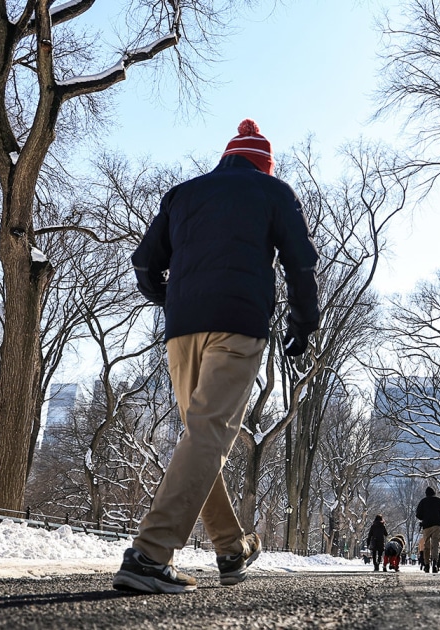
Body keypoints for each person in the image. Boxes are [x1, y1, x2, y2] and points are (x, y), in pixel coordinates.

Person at [114, 119, 320, 594]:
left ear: (227, 158)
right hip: (238, 327)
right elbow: (301, 262)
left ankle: (231, 547)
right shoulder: (273, 192)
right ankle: (149, 554)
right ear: (263, 164)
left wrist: (168, 297)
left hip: (181, 330)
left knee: (199, 438)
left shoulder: (183, 194)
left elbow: (145, 262)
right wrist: (303, 324)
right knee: (207, 437)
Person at [415, 487, 440, 573]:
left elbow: (418, 515)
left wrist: (425, 517)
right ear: (434, 493)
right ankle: (434, 563)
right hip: (437, 525)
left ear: (426, 494)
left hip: (426, 526)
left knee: (426, 545)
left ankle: (426, 565)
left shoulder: (423, 502)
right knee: (435, 544)